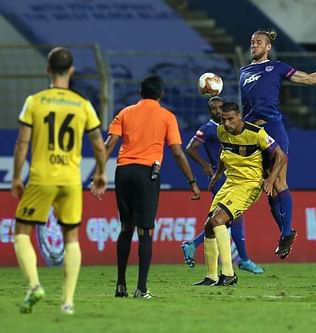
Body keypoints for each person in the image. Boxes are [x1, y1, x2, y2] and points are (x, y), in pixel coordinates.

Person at [240, 29, 316, 259]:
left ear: (268, 47)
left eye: (259, 42)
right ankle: (285, 233)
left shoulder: (278, 67)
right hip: (252, 132)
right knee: (267, 185)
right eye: (252, 42)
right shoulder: (244, 71)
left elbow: (310, 79)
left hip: (272, 126)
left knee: (279, 180)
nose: (254, 45)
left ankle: (285, 232)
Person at [11, 47, 107, 315]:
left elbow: (22, 144)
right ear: (72, 70)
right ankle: (67, 302)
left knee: (21, 232)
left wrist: (17, 176)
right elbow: (99, 145)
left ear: (48, 69)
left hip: (42, 177)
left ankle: (34, 286)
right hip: (70, 179)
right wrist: (100, 173)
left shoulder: (35, 101)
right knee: (71, 237)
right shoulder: (83, 104)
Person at [103, 75, 200, 299]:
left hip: (123, 172)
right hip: (147, 173)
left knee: (126, 227)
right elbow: (177, 151)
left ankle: (120, 286)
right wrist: (192, 181)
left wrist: (99, 173)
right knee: (145, 231)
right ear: (161, 94)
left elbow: (108, 145)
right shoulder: (167, 116)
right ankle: (141, 288)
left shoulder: (125, 113)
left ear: (140, 92)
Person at [194, 102, 286, 286]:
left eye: (230, 119)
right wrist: (217, 174)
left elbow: (281, 156)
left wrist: (269, 180)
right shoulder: (221, 131)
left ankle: (228, 274)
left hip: (249, 184)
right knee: (208, 227)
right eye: (223, 119)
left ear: (239, 117)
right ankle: (211, 277)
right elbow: (224, 153)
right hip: (230, 183)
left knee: (218, 221)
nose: (226, 123)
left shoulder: (256, 133)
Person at [181, 96, 264, 274]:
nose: (217, 111)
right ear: (209, 111)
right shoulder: (210, 129)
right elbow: (190, 148)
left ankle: (196, 246)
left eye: (220, 107)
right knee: (230, 218)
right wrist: (205, 165)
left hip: (232, 175)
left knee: (223, 220)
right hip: (224, 179)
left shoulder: (229, 126)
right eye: (213, 109)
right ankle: (242, 261)